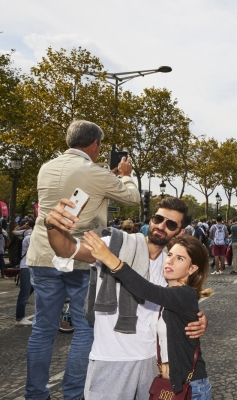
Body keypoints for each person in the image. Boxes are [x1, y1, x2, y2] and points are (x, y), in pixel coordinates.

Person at [45, 196, 207, 399]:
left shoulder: (172, 263)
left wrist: (199, 318)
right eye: (158, 219)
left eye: (171, 224)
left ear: (180, 231)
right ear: (151, 219)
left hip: (153, 363)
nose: (161, 226)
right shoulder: (114, 245)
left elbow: (180, 299)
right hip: (112, 359)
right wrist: (51, 226)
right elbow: (67, 248)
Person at [24, 120, 141, 400]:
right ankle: (74, 393)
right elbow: (133, 198)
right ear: (95, 144)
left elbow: (78, 183)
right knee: (84, 328)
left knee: (43, 328)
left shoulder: (46, 167)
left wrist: (106, 175)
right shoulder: (96, 172)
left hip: (43, 253)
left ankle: (35, 394)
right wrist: (124, 174)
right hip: (79, 256)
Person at [82, 233, 213, 400]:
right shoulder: (169, 295)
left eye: (180, 259)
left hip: (191, 388)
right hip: (168, 386)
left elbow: (146, 290)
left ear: (192, 268)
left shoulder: (185, 295)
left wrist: (110, 259)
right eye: (170, 255)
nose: (170, 261)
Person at [15, 220, 35, 326]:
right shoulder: (30, 238)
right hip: (27, 267)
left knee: (29, 292)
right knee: (24, 293)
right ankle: (19, 318)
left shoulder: (32, 236)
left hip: (31, 267)